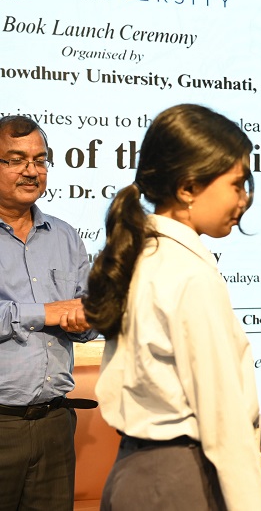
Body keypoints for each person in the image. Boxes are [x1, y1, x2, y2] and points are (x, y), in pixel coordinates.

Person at [83, 104, 261, 510]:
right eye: (236, 184)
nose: (243, 199)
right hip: (179, 480)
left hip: (134, 474)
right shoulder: (190, 275)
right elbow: (223, 421)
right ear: (188, 188)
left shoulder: (141, 253)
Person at [0, 115, 98, 511]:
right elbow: (50, 312)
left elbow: (86, 312)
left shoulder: (65, 235)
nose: (31, 171)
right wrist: (44, 312)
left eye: (40, 160)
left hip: (55, 424)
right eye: (16, 159)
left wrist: (89, 318)